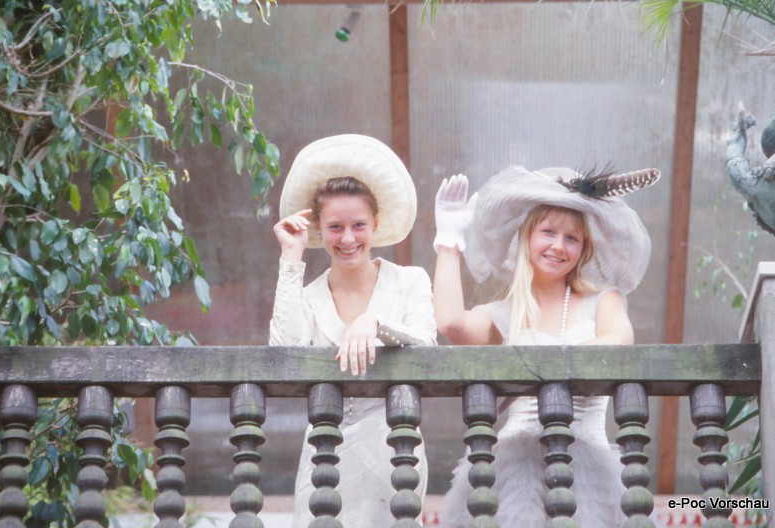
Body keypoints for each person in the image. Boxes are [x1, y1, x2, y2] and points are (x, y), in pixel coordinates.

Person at [432, 166, 661, 527]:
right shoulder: (506, 313)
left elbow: (619, 340)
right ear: (527, 236)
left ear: (583, 249)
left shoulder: (603, 300)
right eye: (548, 232)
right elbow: (450, 324)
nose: (558, 246)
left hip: (587, 470)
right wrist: (448, 240)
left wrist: (538, 369)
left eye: (572, 238)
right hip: (513, 474)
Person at [269, 134, 436, 527]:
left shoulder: (409, 280)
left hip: (393, 451)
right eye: (335, 227)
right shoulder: (309, 298)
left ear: (375, 223)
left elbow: (427, 344)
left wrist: (374, 322)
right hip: (324, 453)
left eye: (358, 225)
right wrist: (291, 256)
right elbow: (283, 350)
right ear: (319, 228)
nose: (347, 239)